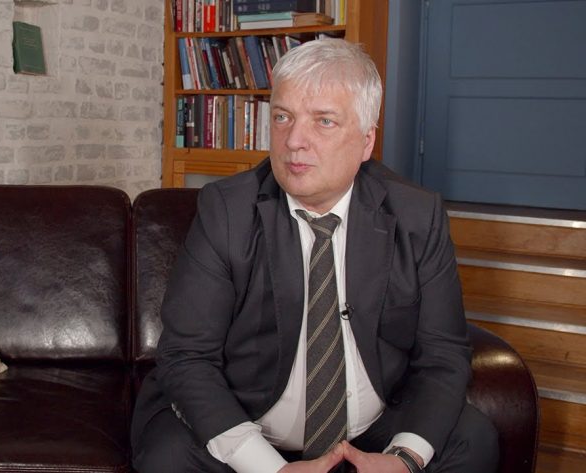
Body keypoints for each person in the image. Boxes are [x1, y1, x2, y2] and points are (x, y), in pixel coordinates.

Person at [130, 38, 499, 473]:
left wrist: (404, 460)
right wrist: (270, 469)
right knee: (168, 457)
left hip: (372, 430)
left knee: (473, 439)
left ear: (366, 141)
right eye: (282, 117)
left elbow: (443, 353)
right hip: (248, 423)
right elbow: (187, 356)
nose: (294, 141)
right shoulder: (226, 210)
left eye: (324, 121)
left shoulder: (416, 215)